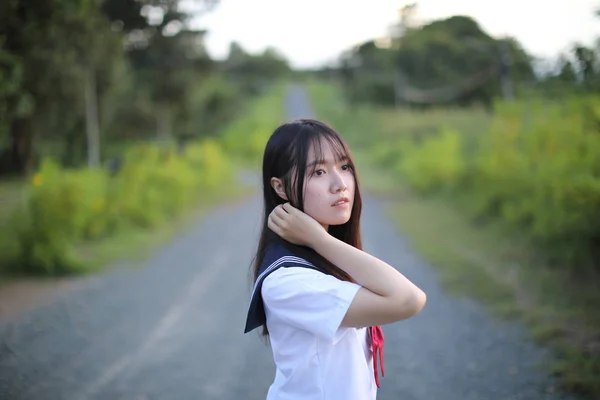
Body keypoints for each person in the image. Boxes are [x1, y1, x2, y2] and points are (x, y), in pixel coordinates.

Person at [244, 118, 427, 400]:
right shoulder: (288, 280)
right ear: (280, 188)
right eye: (317, 172)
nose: (340, 184)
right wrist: (320, 239)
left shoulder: (325, 258)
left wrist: (322, 242)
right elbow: (408, 300)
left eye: (344, 167)